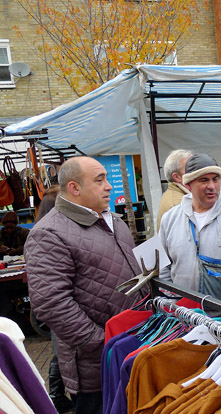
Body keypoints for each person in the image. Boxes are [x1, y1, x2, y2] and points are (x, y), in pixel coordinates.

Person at [24, 157, 145, 414]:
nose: (109, 186)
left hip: (133, 350)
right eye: (99, 180)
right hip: (96, 370)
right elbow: (51, 304)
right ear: (74, 188)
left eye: (107, 178)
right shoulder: (48, 234)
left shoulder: (115, 222)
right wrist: (104, 343)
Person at [159, 153, 221, 308]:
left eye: (215, 179)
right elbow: (164, 267)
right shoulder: (170, 219)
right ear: (188, 184)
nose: (211, 186)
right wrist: (173, 303)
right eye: (204, 180)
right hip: (184, 316)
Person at [31, 184, 74, 413]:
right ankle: (55, 395)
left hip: (63, 306)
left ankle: (56, 394)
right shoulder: (47, 234)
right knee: (60, 351)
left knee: (60, 350)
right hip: (62, 306)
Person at [157, 149, 193, 230]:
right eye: (189, 169)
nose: (195, 172)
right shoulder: (179, 203)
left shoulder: (176, 195)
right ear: (177, 177)